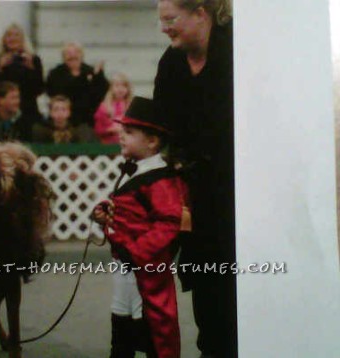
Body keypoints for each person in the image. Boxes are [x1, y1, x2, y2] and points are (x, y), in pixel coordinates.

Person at [153, 1, 236, 357]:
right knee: (204, 283)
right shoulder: (170, 63)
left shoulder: (238, 51)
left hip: (238, 195)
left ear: (201, 13)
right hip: (192, 197)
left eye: (170, 20)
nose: (164, 28)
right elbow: (161, 131)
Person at [92, 97, 191, 358]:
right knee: (122, 318)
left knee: (151, 325)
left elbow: (169, 223)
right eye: (122, 131)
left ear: (152, 141)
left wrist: (135, 252)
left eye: (129, 132)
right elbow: (130, 212)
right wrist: (107, 215)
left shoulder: (161, 180)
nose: (121, 137)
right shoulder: (136, 172)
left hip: (146, 267)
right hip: (125, 264)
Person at [0, 23, 44, 137]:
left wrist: (31, 69)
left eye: (16, 35)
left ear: (23, 39)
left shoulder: (33, 60)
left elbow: (39, 89)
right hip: (2, 114)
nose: (12, 38)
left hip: (27, 111)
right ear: (3, 40)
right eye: (9, 35)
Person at [46, 42, 109, 139]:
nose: (72, 55)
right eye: (68, 53)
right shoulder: (56, 73)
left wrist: (99, 76)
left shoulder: (91, 71)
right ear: (63, 57)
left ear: (81, 55)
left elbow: (101, 93)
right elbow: (54, 94)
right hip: (62, 121)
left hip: (86, 120)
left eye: (76, 52)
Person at [94, 73, 133, 144]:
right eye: (117, 86)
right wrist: (111, 129)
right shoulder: (104, 107)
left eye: (124, 86)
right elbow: (98, 130)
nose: (120, 89)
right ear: (111, 88)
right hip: (108, 146)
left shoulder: (131, 106)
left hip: (127, 145)